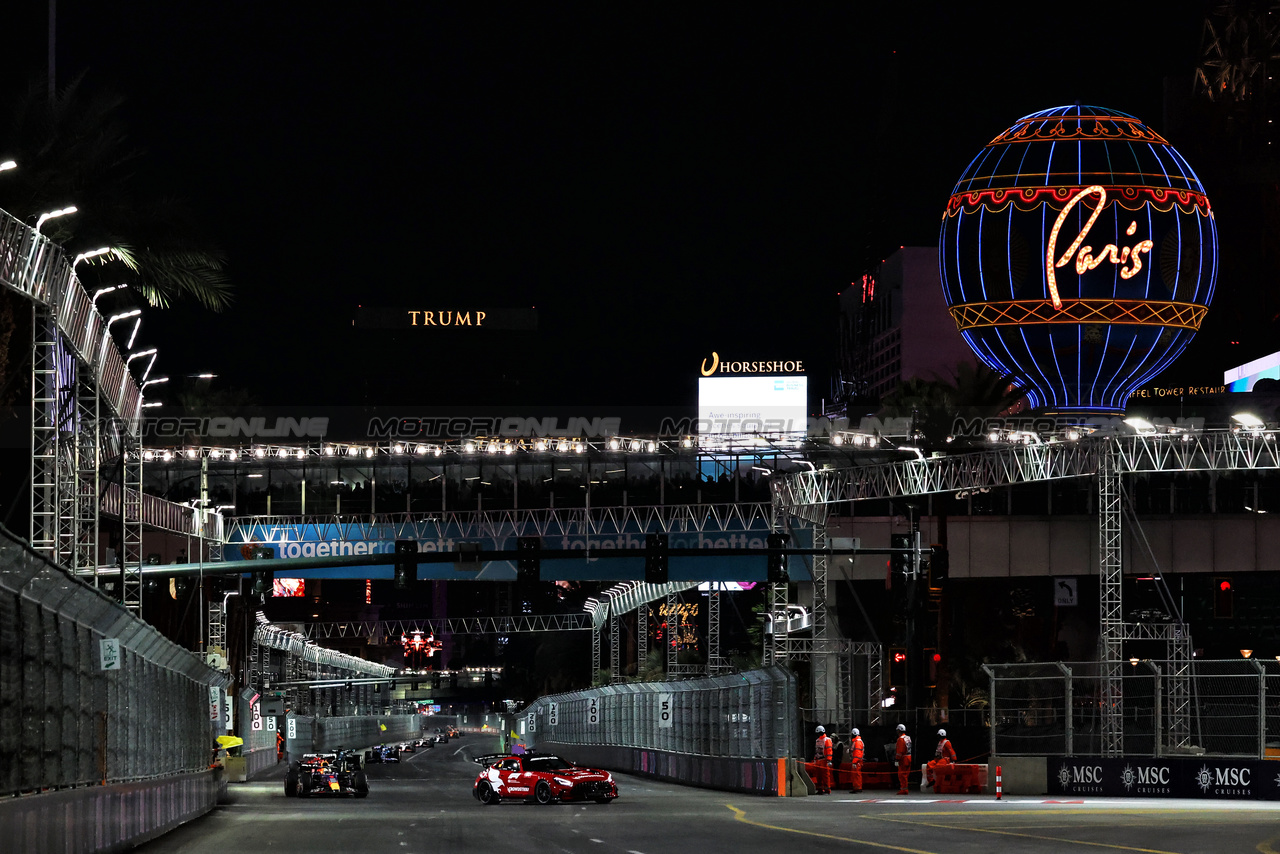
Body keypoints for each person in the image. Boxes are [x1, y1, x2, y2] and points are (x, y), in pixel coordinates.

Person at [812, 725, 833, 794]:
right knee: (819, 775)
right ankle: (820, 789)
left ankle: (827, 789)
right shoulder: (817, 740)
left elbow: (829, 750)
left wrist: (829, 760)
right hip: (818, 759)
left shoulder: (827, 740)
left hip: (824, 760)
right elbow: (816, 750)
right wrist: (815, 758)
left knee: (826, 775)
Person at [894, 723, 913, 795]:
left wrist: (897, 759)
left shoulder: (900, 739)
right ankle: (904, 788)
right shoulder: (908, 738)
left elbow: (900, 751)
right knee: (906, 774)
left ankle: (904, 789)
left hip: (903, 759)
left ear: (899, 730)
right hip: (909, 757)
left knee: (902, 775)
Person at [848, 727, 865, 793]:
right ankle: (857, 787)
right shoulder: (857, 741)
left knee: (856, 775)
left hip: (857, 761)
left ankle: (857, 788)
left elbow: (857, 754)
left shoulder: (857, 742)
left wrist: (854, 762)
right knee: (856, 775)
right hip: (857, 761)